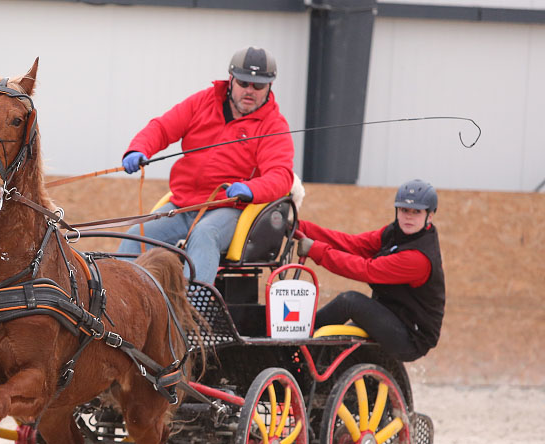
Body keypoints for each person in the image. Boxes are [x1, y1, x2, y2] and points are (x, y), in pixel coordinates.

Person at [117, 46, 294, 284]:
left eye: (258, 86)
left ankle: (193, 311)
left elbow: (281, 175)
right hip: (184, 204)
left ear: (269, 87)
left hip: (230, 209)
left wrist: (251, 189)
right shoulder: (202, 102)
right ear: (231, 80)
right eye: (243, 83)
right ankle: (116, 302)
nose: (249, 91)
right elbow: (162, 128)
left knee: (205, 234)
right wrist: (138, 149)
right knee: (137, 235)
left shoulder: (274, 125)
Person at [297, 179, 445, 362]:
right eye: (404, 210)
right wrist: (302, 228)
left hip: (410, 337)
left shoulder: (418, 259)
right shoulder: (394, 232)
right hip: (389, 316)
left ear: (430, 216)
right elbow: (354, 245)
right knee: (336, 346)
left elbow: (367, 270)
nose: (409, 217)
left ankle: (298, 341)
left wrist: (316, 251)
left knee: (349, 301)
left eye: (417, 212)